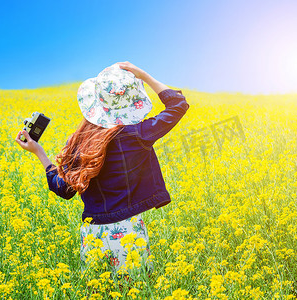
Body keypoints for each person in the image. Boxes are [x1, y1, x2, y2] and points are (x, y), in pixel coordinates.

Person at [15, 61, 190, 276]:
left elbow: (63, 188)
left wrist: (38, 152)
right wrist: (143, 75)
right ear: (132, 103)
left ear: (95, 103)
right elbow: (178, 105)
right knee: (134, 291)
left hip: (92, 234)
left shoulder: (82, 142)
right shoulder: (138, 135)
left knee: (97, 292)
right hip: (128, 231)